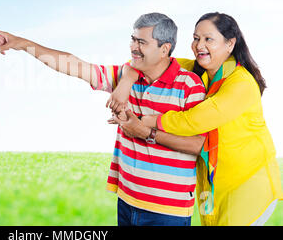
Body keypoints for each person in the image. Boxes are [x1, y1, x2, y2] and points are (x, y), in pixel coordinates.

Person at [0, 13, 208, 226]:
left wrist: (144, 132)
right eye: (132, 39)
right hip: (127, 200)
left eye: (141, 42)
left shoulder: (190, 85)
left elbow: (199, 145)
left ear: (164, 49)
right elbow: (76, 65)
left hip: (167, 210)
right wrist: (22, 44)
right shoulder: (125, 76)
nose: (133, 47)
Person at [107, 12, 283, 225]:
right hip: (215, 184)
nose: (199, 45)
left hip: (247, 182)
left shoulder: (241, 83)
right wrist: (125, 83)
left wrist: (146, 121)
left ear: (230, 44)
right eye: (196, 38)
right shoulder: (199, 70)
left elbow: (194, 121)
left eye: (208, 39)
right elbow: (148, 61)